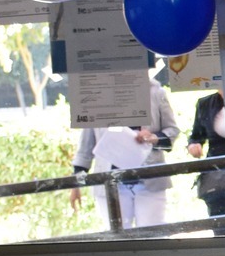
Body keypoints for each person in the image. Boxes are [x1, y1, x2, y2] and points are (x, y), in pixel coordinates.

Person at [69, 79, 180, 230]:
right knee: (118, 237)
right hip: (110, 182)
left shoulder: (155, 91)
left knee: (152, 235)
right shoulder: (95, 95)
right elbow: (86, 147)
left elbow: (172, 130)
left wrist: (154, 138)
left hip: (150, 181)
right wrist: (76, 184)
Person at [186, 88, 225, 233]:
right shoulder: (205, 103)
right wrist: (194, 145)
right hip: (217, 178)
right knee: (221, 227)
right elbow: (196, 136)